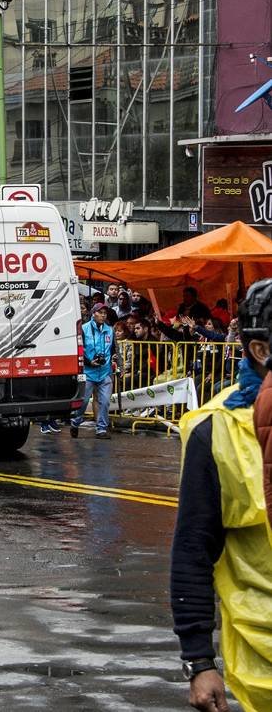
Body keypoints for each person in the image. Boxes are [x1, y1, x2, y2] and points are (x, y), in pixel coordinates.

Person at [172, 278, 272, 712]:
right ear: (260, 351)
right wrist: (199, 662)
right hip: (263, 665)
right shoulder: (215, 433)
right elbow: (194, 549)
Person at [71, 302, 115, 440]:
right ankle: (75, 422)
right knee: (83, 402)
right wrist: (89, 362)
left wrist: (117, 364)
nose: (103, 315)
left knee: (105, 401)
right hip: (88, 372)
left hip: (105, 372)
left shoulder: (110, 330)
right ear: (93, 314)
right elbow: (78, 349)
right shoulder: (83, 329)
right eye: (100, 313)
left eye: (105, 313)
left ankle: (101, 429)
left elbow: (115, 349)